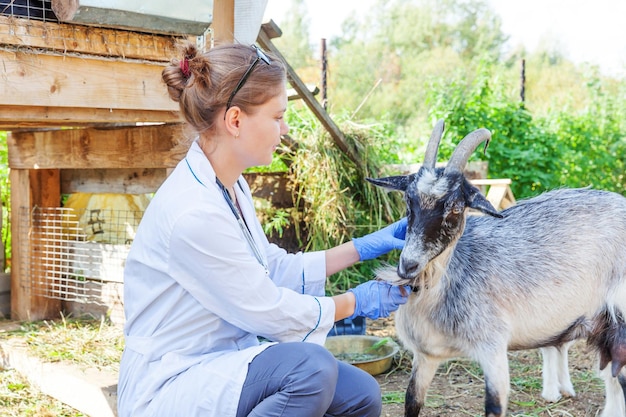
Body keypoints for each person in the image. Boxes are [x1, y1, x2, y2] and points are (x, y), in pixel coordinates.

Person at [117, 41, 410, 417]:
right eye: (277, 117)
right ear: (235, 120)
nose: (284, 130)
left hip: (220, 364)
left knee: (360, 393)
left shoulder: (230, 185)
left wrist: (362, 247)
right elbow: (265, 310)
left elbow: (269, 268)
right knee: (310, 370)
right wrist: (354, 302)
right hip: (173, 381)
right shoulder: (192, 212)